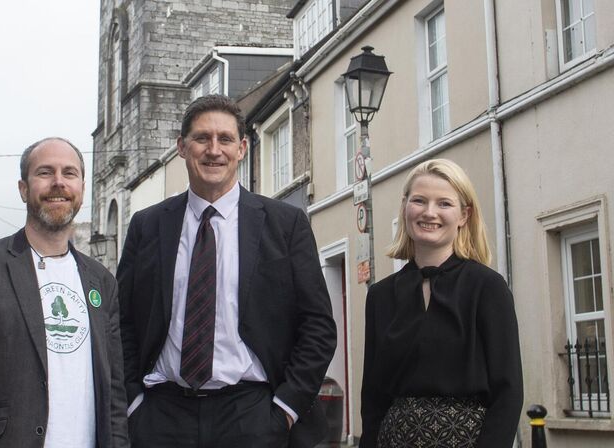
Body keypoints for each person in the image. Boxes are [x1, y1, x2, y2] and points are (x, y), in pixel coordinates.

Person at [118, 94, 337, 448]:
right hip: (161, 417)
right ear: (182, 148)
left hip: (252, 416)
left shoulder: (285, 224)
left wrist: (285, 408)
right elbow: (122, 322)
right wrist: (134, 403)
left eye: (225, 139)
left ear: (242, 148)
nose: (213, 150)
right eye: (202, 138)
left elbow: (318, 326)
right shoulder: (147, 226)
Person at [0, 138, 128, 448]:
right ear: (24, 188)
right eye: (45, 172)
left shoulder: (102, 281)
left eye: (69, 173)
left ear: (82, 189)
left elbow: (115, 391)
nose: (59, 182)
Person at [359, 159, 523, 447]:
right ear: (406, 206)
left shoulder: (487, 288)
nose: (429, 212)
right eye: (419, 200)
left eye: (444, 203)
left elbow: (508, 392)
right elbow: (372, 398)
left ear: (464, 215)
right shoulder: (380, 296)